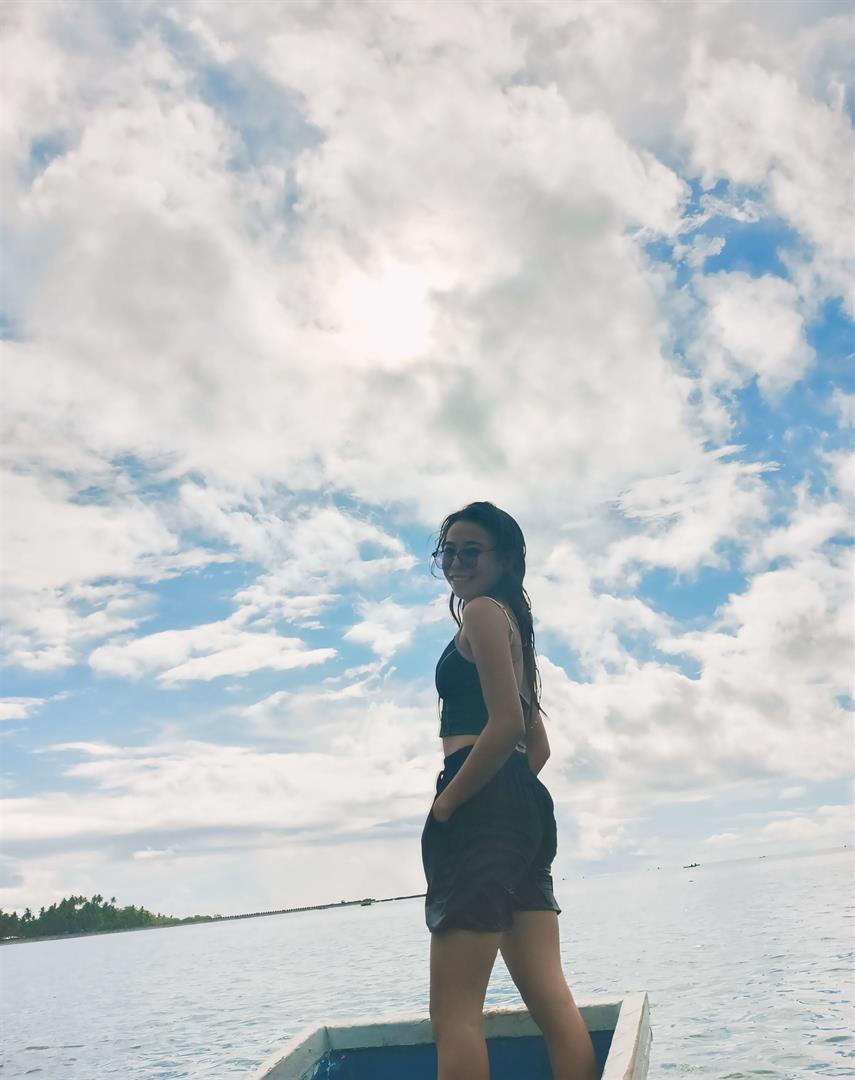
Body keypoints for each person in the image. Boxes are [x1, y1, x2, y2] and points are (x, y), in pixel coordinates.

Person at [422, 501, 599, 1080]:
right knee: (550, 997)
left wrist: (450, 803)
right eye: (447, 551)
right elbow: (536, 745)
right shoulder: (511, 625)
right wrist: (510, 798)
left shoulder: (480, 612)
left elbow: (506, 726)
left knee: (454, 1015)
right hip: (520, 806)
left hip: (477, 801)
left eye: (470, 551)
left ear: (504, 559)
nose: (455, 562)